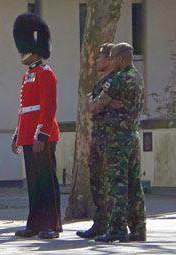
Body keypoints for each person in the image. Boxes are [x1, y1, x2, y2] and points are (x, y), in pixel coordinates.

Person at [11, 13, 61, 239]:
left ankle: (51, 224)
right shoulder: (28, 75)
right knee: (33, 183)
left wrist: (42, 134)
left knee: (46, 181)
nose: (21, 52)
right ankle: (36, 223)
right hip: (29, 136)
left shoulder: (45, 73)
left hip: (43, 136)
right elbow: (25, 109)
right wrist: (18, 134)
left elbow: (48, 107)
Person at [94, 42, 146, 242]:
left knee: (116, 184)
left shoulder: (119, 79)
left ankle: (117, 229)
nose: (112, 62)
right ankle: (138, 228)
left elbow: (98, 104)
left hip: (117, 138)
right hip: (133, 135)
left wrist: (103, 101)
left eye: (114, 58)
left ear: (120, 59)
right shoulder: (138, 78)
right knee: (134, 184)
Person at [76, 43, 120, 239]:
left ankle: (115, 224)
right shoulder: (101, 82)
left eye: (100, 57)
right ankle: (100, 223)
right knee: (96, 181)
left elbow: (95, 106)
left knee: (110, 183)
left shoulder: (114, 81)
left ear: (109, 60)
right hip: (99, 136)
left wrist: (94, 103)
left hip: (110, 138)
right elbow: (90, 104)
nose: (97, 61)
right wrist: (93, 104)